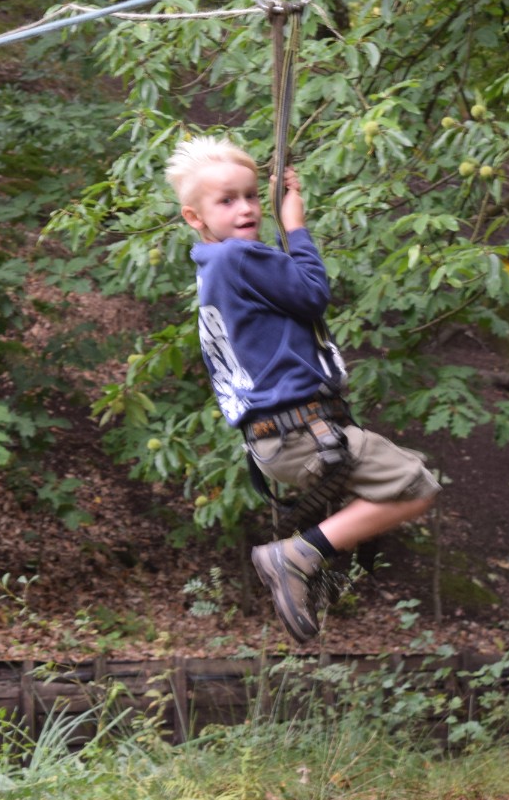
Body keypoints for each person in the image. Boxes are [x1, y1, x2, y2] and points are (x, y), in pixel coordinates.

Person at [164, 137, 440, 641]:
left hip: (282, 438)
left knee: (394, 481)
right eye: (226, 201)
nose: (246, 208)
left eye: (251, 195)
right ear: (194, 217)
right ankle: (296, 556)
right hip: (299, 432)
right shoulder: (238, 259)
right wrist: (296, 226)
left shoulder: (215, 267)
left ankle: (315, 556)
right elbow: (313, 295)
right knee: (417, 485)